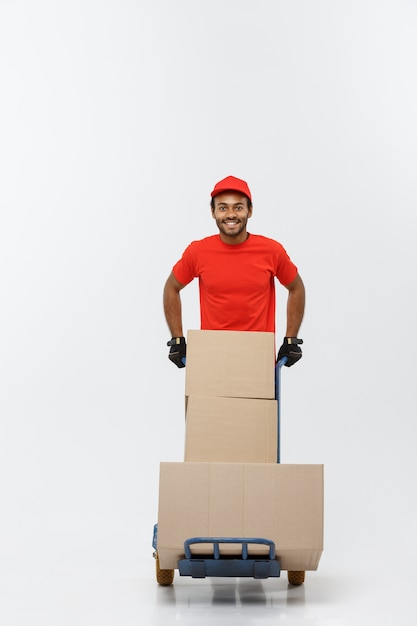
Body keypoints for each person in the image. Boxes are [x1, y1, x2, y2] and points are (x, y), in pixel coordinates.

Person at [163, 175, 305, 369]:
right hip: (212, 357)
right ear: (213, 212)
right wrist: (177, 340)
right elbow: (172, 287)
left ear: (250, 211)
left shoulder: (271, 251)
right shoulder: (198, 252)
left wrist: (291, 339)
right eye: (223, 207)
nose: (231, 214)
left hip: (258, 358)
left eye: (238, 207)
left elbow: (296, 287)